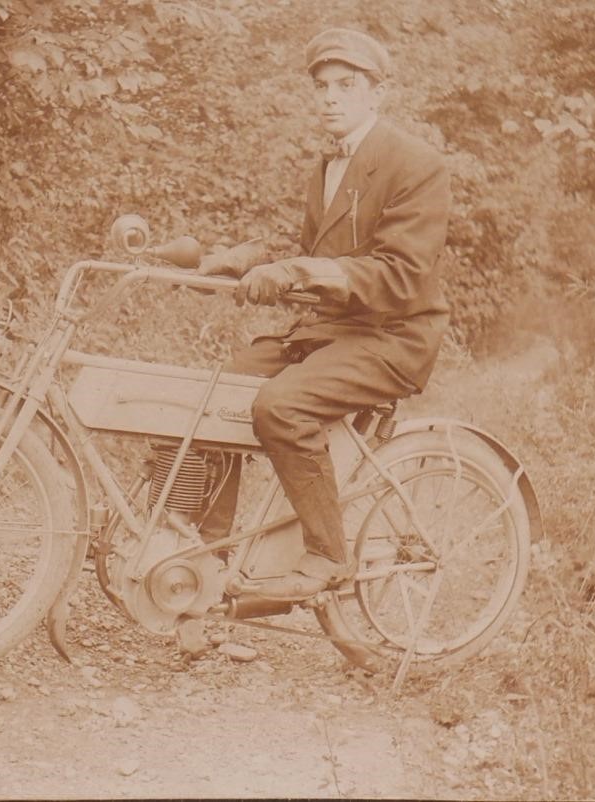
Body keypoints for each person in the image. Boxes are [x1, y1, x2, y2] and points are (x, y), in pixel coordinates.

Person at [197, 27, 452, 601]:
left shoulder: (416, 162)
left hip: (394, 336)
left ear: (376, 92)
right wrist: (245, 259)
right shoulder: (327, 165)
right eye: (321, 87)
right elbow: (316, 251)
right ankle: (203, 564)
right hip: (331, 331)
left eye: (346, 85)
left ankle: (327, 557)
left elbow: (399, 275)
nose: (330, 98)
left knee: (280, 406)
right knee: (212, 390)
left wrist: (297, 272)